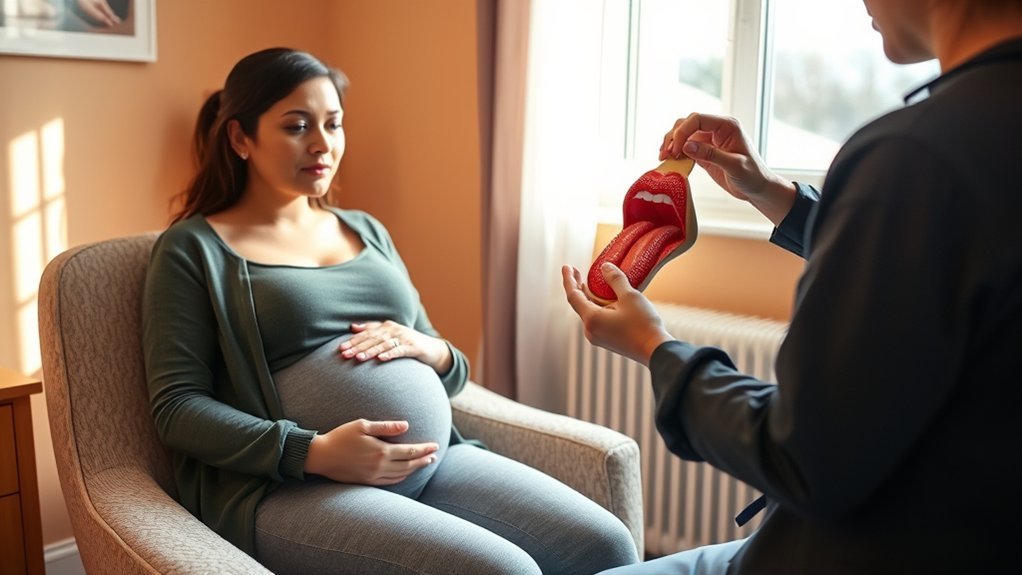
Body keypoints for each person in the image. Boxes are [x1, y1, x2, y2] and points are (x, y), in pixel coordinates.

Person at [563, 1, 1022, 573]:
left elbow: (803, 455)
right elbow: (931, 257)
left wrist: (655, 348)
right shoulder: (975, 143)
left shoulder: (911, 153)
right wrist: (767, 190)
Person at [143, 47, 639, 575]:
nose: (322, 144)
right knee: (505, 571)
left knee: (605, 544)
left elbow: (451, 373)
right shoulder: (193, 248)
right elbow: (176, 407)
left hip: (435, 458)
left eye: (334, 124)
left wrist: (432, 350)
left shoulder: (366, 230)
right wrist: (310, 452)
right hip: (295, 487)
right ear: (241, 138)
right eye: (296, 126)